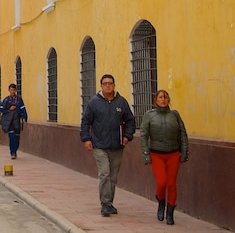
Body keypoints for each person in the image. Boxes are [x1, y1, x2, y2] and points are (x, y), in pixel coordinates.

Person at [80, 73, 135, 217]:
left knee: (113, 175)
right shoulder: (94, 103)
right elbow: (86, 122)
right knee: (104, 172)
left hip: (117, 145)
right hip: (99, 144)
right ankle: (105, 203)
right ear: (101, 86)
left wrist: (127, 136)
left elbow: (130, 121)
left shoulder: (121, 102)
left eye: (110, 83)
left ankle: (109, 203)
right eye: (105, 83)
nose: (108, 85)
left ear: (114, 85)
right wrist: (86, 139)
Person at [139, 90, 189, 225]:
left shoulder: (175, 115)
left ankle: (170, 213)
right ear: (156, 100)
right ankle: (161, 202)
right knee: (162, 182)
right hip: (156, 154)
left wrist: (184, 152)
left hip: (173, 154)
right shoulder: (149, 116)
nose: (163, 99)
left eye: (165, 97)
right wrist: (146, 155)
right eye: (160, 97)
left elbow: (182, 134)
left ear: (169, 100)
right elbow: (143, 136)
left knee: (172, 184)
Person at [0, 83, 28, 160]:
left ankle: (15, 150)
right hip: (9, 122)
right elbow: (1, 109)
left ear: (16, 90)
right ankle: (12, 152)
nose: (12, 91)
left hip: (17, 121)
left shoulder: (19, 99)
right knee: (11, 136)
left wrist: (25, 118)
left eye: (14, 90)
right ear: (9, 90)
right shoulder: (6, 100)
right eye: (11, 90)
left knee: (17, 138)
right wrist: (9, 110)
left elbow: (23, 108)